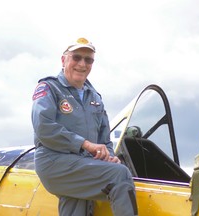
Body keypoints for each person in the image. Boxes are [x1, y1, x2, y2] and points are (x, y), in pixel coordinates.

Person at [31, 37, 138, 216]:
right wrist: (85, 144)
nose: (82, 64)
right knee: (119, 175)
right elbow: (43, 127)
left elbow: (104, 139)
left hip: (82, 163)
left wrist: (109, 157)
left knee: (77, 205)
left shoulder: (95, 97)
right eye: (76, 57)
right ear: (63, 60)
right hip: (54, 161)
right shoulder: (49, 88)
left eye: (88, 60)